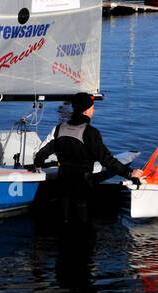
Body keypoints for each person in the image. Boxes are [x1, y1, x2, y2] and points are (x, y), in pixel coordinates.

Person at [32, 92, 139, 225]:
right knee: (83, 229)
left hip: (62, 189)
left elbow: (40, 155)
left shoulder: (59, 129)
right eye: (92, 107)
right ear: (87, 110)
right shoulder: (90, 133)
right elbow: (107, 160)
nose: (93, 110)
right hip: (82, 190)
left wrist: (38, 165)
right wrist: (130, 174)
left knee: (64, 227)